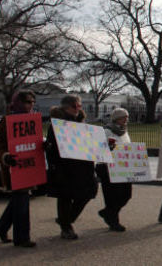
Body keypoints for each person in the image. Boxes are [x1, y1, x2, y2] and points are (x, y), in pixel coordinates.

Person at [45, 95, 97, 240]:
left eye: (79, 106)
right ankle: (66, 227)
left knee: (87, 193)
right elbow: (52, 148)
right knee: (65, 197)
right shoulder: (57, 125)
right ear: (65, 107)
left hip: (83, 166)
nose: (78, 109)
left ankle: (66, 219)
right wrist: (54, 166)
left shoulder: (82, 123)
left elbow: (90, 144)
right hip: (65, 166)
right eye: (75, 106)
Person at [0, 90, 37, 248]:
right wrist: (6, 156)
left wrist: (44, 146)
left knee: (18, 202)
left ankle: (1, 228)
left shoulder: (33, 121)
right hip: (14, 168)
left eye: (32, 102)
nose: (30, 105)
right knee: (21, 202)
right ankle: (22, 238)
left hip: (29, 168)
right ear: (17, 102)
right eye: (26, 101)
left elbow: (35, 144)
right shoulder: (6, 121)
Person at [97, 108, 132, 232]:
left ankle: (107, 212)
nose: (126, 119)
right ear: (116, 118)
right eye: (123, 117)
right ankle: (113, 221)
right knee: (112, 195)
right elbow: (99, 147)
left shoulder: (124, 132)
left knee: (126, 194)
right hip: (107, 166)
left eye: (126, 117)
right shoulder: (107, 131)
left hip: (122, 166)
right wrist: (110, 147)